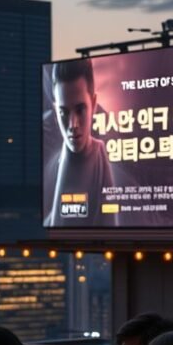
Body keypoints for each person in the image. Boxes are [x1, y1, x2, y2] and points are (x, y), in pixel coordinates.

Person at [45, 59, 116, 227]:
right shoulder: (49, 167)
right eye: (64, 112)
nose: (73, 125)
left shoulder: (100, 154)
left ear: (94, 104)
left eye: (80, 110)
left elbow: (109, 221)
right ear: (55, 111)